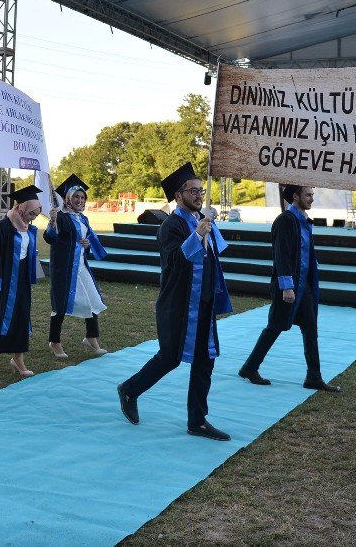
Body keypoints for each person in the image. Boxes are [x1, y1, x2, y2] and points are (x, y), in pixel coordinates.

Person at [116, 163, 234, 441]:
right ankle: (130, 389)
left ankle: (198, 420)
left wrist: (206, 229)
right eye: (192, 191)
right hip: (178, 303)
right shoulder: (171, 226)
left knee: (206, 360)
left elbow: (217, 254)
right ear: (178, 195)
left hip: (203, 301)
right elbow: (176, 261)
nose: (199, 196)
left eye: (201, 190)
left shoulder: (199, 220)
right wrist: (198, 235)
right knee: (170, 358)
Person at [238, 185, 340, 392]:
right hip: (290, 286)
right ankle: (250, 367)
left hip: (305, 287)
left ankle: (314, 376)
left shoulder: (303, 220)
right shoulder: (285, 220)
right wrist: (287, 286)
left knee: (310, 329)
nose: (312, 198)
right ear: (295, 196)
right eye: (308, 195)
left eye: (313, 194)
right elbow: (281, 255)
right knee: (275, 327)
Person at [44, 174, 108, 358]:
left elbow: (83, 241)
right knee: (60, 304)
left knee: (91, 299)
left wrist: (87, 244)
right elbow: (50, 238)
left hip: (80, 266)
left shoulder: (83, 218)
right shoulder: (62, 217)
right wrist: (52, 221)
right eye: (76, 197)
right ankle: (54, 341)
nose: (80, 200)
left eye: (82, 197)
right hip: (64, 268)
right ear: (67, 199)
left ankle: (91, 338)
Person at [0, 184, 42, 378]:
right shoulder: (4, 226)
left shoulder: (28, 228)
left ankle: (18, 358)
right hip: (6, 279)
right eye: (32, 213)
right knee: (0, 317)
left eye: (36, 214)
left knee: (22, 317)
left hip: (22, 279)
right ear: (22, 207)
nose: (33, 218)